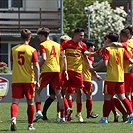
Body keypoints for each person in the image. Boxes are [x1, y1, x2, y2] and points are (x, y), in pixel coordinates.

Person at [90, 32, 133, 124]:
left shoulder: (108, 49)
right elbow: (129, 60)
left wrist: (94, 68)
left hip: (111, 78)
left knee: (107, 98)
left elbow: (105, 63)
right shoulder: (122, 49)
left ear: (109, 39)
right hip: (120, 77)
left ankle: (104, 118)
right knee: (123, 97)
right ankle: (132, 115)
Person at [34, 27, 68, 122]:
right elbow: (63, 56)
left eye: (39, 36)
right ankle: (62, 117)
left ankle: (39, 112)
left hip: (47, 70)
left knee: (37, 91)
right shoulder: (58, 45)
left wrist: (37, 65)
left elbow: (44, 58)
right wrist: (65, 70)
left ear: (42, 36)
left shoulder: (43, 45)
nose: (39, 39)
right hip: (57, 70)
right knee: (58, 93)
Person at [10, 29, 40, 131]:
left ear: (20, 37)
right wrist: (38, 80)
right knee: (30, 103)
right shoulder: (32, 50)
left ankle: (13, 119)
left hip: (16, 79)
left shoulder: (14, 49)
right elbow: (36, 66)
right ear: (29, 38)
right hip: (28, 79)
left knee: (15, 102)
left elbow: (13, 62)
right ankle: (30, 125)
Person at [40, 35, 71, 121]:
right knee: (58, 94)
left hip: (57, 74)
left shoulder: (60, 50)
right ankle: (65, 111)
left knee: (56, 95)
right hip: (59, 74)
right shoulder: (61, 50)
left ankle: (61, 113)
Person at [61, 28, 87, 122]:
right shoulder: (66, 44)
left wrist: (92, 68)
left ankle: (79, 113)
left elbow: (85, 56)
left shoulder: (83, 45)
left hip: (78, 72)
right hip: (67, 71)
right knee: (63, 92)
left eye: (83, 36)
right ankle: (63, 113)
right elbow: (61, 54)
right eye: (81, 35)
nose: (82, 37)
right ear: (75, 35)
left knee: (79, 92)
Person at [82, 40, 102, 119]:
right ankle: (89, 114)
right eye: (93, 46)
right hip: (86, 78)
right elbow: (90, 67)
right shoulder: (88, 56)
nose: (94, 47)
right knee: (89, 96)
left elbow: (93, 65)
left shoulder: (83, 54)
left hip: (79, 76)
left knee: (73, 96)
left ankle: (67, 114)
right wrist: (96, 75)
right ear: (90, 47)